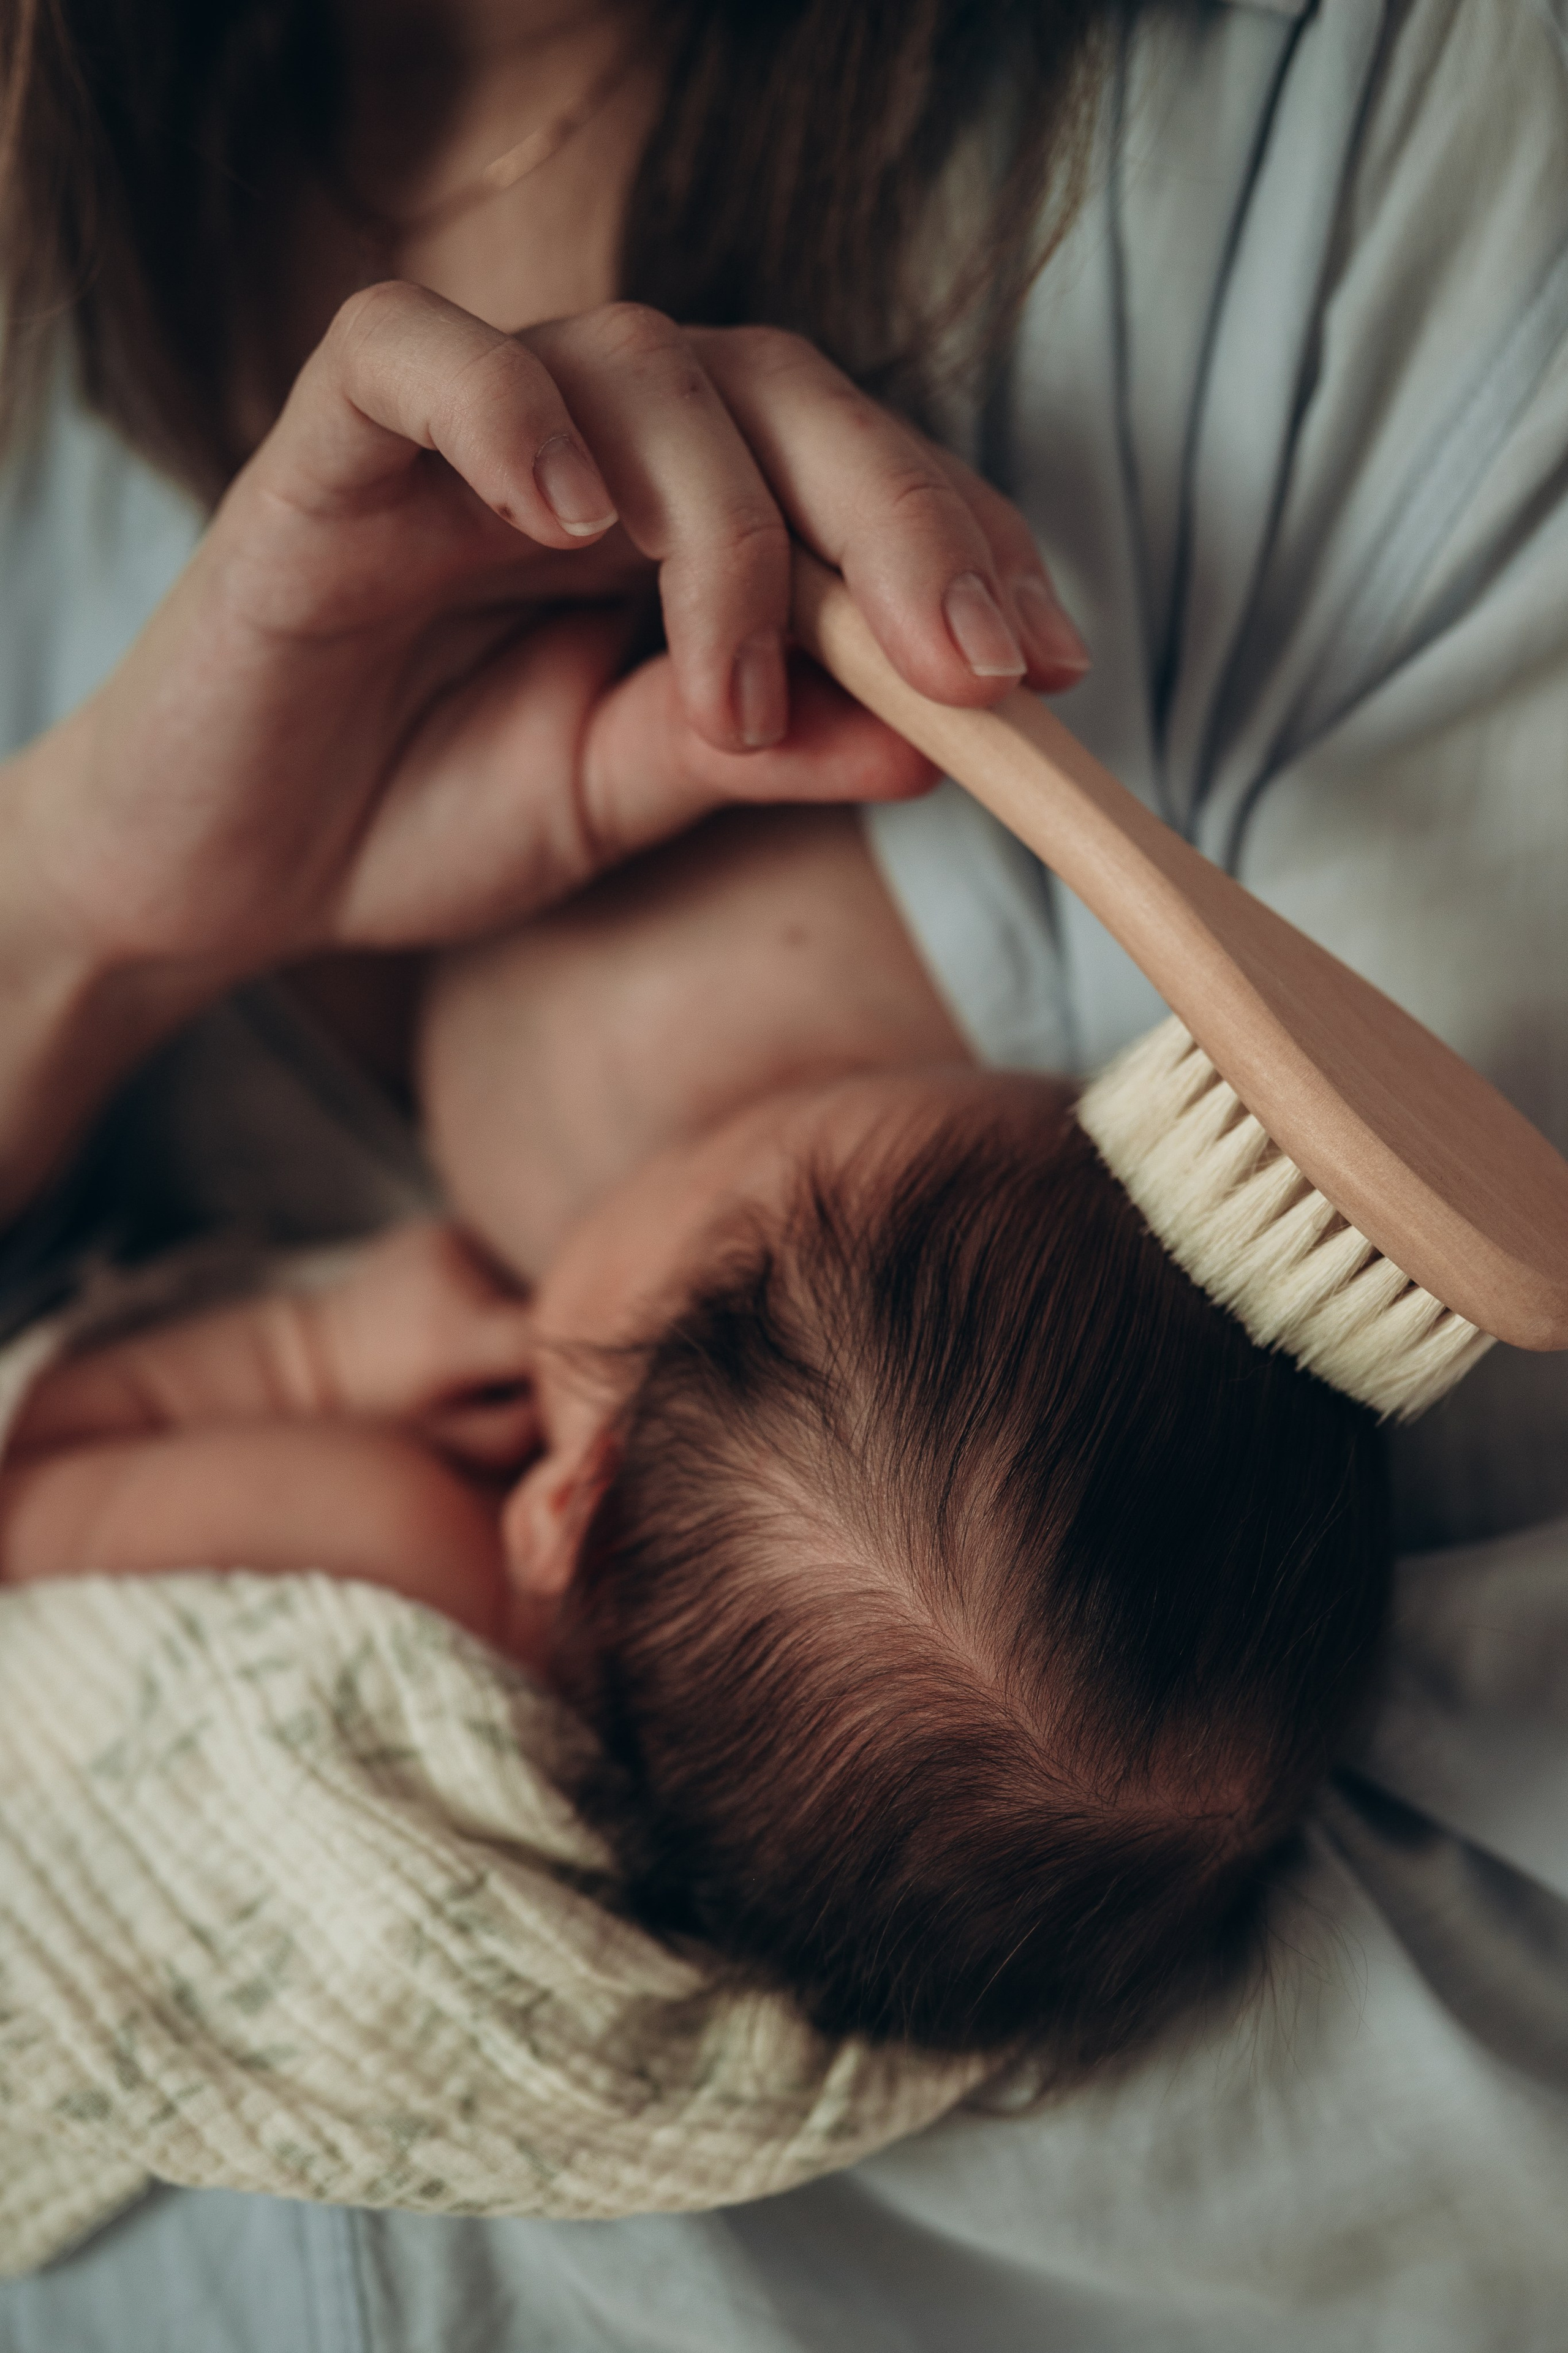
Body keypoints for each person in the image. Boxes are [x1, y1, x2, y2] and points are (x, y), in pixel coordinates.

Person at [2, 0, 1568, 2345]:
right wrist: (79, 912)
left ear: (577, 1473)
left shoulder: (1360, 145)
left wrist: (311, 1340)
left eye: (787, 1176)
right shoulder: (62, 243)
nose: (1063, 1138)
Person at [0, 836, 1389, 2063]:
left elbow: (38, 1502)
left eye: (732, 1147)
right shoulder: (761, 1757)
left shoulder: (397, 1548)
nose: (711, 1118)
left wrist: (312, 1360)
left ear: (575, 1495)